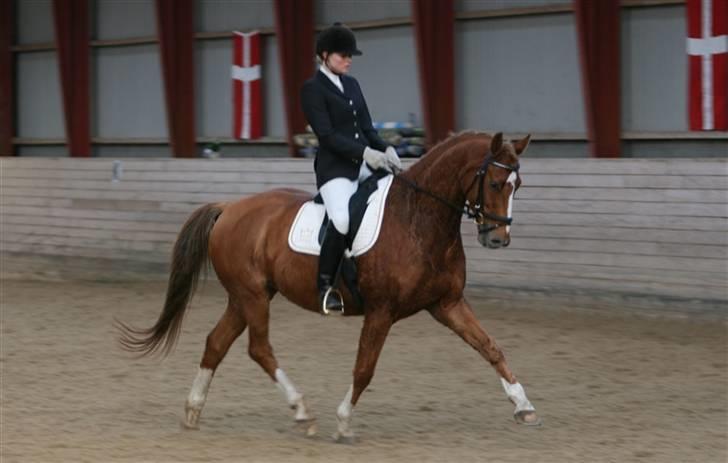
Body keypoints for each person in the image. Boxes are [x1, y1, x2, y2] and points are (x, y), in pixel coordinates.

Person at [300, 23, 401, 315]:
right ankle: (325, 286)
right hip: (335, 170)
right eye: (343, 55)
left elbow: (367, 128)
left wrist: (386, 150)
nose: (349, 59)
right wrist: (367, 153)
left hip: (365, 164)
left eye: (349, 55)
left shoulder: (353, 84)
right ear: (324, 55)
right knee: (342, 219)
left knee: (395, 197)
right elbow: (328, 136)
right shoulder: (312, 89)